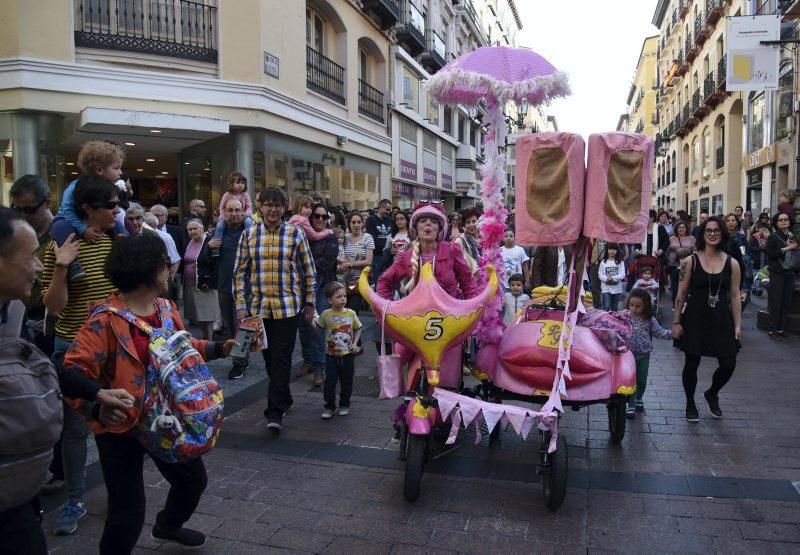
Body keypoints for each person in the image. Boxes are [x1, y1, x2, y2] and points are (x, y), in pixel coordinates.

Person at [62, 233, 236, 553]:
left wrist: (216, 348)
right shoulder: (105, 320)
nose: (171, 269)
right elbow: (71, 374)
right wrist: (96, 408)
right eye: (164, 264)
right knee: (127, 514)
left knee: (192, 482)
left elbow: (181, 346)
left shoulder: (166, 309)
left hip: (166, 419)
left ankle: (167, 526)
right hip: (121, 429)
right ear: (147, 270)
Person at [0, 207, 134, 555]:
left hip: (17, 495)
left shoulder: (11, 309)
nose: (38, 266)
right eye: (29, 257)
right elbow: (54, 311)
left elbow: (39, 362)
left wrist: (96, 393)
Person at [39, 175, 121, 536]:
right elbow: (53, 307)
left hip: (110, 348)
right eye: (110, 206)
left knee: (114, 421)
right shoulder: (61, 247)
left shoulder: (115, 245)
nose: (117, 211)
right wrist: (60, 266)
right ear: (89, 209)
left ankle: (118, 490)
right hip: (71, 349)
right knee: (74, 430)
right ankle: (75, 499)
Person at [234, 187, 316, 434]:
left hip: (288, 309)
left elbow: (308, 271)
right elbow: (239, 273)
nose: (273, 209)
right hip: (259, 309)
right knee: (269, 358)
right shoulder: (248, 235)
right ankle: (284, 397)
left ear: (285, 207)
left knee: (282, 357)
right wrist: (240, 305)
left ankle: (274, 411)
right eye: (268, 204)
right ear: (259, 206)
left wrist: (310, 302)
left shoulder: (295, 234)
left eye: (277, 205)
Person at [673, 216, 742, 423]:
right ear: (702, 234)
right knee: (692, 361)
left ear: (723, 234)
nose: (712, 234)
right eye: (708, 230)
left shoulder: (732, 263)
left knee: (729, 362)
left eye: (717, 230)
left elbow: (735, 295)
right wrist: (676, 322)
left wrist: (738, 325)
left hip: (721, 318)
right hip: (695, 316)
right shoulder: (689, 261)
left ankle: (712, 392)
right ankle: (690, 403)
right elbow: (680, 294)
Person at [50, 141, 125, 281]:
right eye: (116, 168)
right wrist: (83, 228)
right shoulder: (75, 186)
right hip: (68, 219)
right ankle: (72, 264)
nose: (120, 172)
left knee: (119, 226)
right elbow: (67, 210)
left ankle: (124, 248)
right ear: (99, 170)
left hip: (87, 223)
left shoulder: (109, 188)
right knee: (61, 227)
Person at [203, 198, 249, 379]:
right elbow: (207, 260)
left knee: (242, 326)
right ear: (225, 212)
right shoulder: (217, 233)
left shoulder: (250, 231)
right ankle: (240, 357)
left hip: (245, 288)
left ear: (243, 211)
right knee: (230, 326)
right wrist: (208, 247)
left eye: (237, 210)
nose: (234, 214)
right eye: (230, 210)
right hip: (224, 286)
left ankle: (240, 363)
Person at [297, 203, 339, 387]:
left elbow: (326, 261)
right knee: (303, 327)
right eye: (317, 216)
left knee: (317, 327)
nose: (320, 219)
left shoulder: (330, 237)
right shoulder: (302, 234)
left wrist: (306, 263)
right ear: (310, 217)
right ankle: (308, 361)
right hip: (301, 287)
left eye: (324, 216)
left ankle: (320, 369)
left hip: (322, 287)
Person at [314, 281, 362, 419]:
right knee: (330, 381)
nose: (343, 299)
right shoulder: (326, 314)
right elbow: (318, 327)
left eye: (344, 296)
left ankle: (344, 404)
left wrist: (354, 343)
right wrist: (309, 321)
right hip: (330, 355)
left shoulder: (351, 313)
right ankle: (329, 406)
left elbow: (358, 328)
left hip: (347, 355)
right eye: (339, 296)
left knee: (346, 381)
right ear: (329, 300)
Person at [624, 288, 674, 419]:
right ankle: (630, 406)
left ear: (645, 306)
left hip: (643, 355)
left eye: (638, 306)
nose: (634, 309)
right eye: (631, 305)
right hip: (627, 355)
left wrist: (671, 334)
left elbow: (659, 332)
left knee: (642, 380)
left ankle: (638, 399)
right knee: (631, 381)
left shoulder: (649, 319)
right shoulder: (624, 317)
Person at [182, 219, 219, 340]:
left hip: (204, 284)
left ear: (202, 229)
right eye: (189, 229)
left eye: (195, 228)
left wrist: (210, 281)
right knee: (194, 316)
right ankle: (205, 336)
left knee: (207, 316)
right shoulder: (190, 242)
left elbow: (215, 263)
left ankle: (209, 340)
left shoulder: (209, 240)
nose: (192, 231)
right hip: (189, 284)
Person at [766, 212, 798, 339]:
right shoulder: (773, 237)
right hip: (777, 272)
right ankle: (772, 330)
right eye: (781, 220)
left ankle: (780, 329)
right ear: (776, 223)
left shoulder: (792, 236)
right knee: (776, 302)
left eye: (786, 219)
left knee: (785, 302)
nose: (784, 222)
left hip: (790, 272)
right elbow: (769, 253)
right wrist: (786, 249)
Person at [339, 211, 374, 313]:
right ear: (349, 224)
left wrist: (349, 264)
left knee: (352, 312)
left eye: (359, 222)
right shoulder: (344, 238)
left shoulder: (367, 238)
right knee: (341, 312)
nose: (356, 225)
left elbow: (368, 262)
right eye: (353, 222)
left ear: (362, 223)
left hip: (358, 282)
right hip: (342, 282)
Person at [213, 172, 253, 242]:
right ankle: (216, 244)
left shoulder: (245, 194)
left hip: (243, 215)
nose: (241, 185)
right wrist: (224, 216)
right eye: (238, 183)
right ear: (232, 184)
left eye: (243, 183)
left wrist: (245, 214)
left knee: (249, 223)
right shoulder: (227, 195)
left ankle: (249, 240)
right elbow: (221, 208)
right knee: (219, 226)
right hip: (227, 216)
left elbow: (249, 207)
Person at [667, 220, 695, 301]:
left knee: (687, 284)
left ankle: (685, 301)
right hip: (674, 264)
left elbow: (695, 251)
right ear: (676, 229)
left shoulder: (692, 238)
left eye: (683, 227)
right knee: (674, 285)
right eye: (679, 227)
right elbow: (667, 251)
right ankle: (674, 302)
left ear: (686, 229)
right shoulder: (671, 238)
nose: (681, 229)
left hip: (688, 264)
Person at [366, 198, 393, 274]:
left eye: (389, 210)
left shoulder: (390, 220)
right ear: (381, 207)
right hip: (377, 255)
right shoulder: (371, 219)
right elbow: (371, 237)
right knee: (378, 278)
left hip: (389, 255)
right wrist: (384, 247)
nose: (388, 212)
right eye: (387, 210)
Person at [500, 228, 530, 293]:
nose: (508, 238)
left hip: (518, 284)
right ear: (502, 238)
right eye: (506, 236)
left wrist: (527, 281)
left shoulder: (520, 250)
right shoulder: (499, 251)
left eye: (511, 236)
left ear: (515, 237)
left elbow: (525, 267)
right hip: (504, 284)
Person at [454, 207, 482, 275]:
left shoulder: (484, 239)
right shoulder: (460, 240)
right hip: (468, 280)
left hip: (484, 279)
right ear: (464, 225)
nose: (471, 225)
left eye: (474, 221)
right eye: (468, 222)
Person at [599, 242, 626, 311]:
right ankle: (605, 321)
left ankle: (613, 321)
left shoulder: (620, 262)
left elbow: (622, 274)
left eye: (614, 249)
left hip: (617, 289)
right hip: (606, 288)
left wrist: (613, 278)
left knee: (614, 308)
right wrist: (606, 279)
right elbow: (600, 274)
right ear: (607, 250)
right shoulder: (603, 262)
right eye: (610, 249)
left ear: (617, 251)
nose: (612, 251)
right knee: (607, 307)